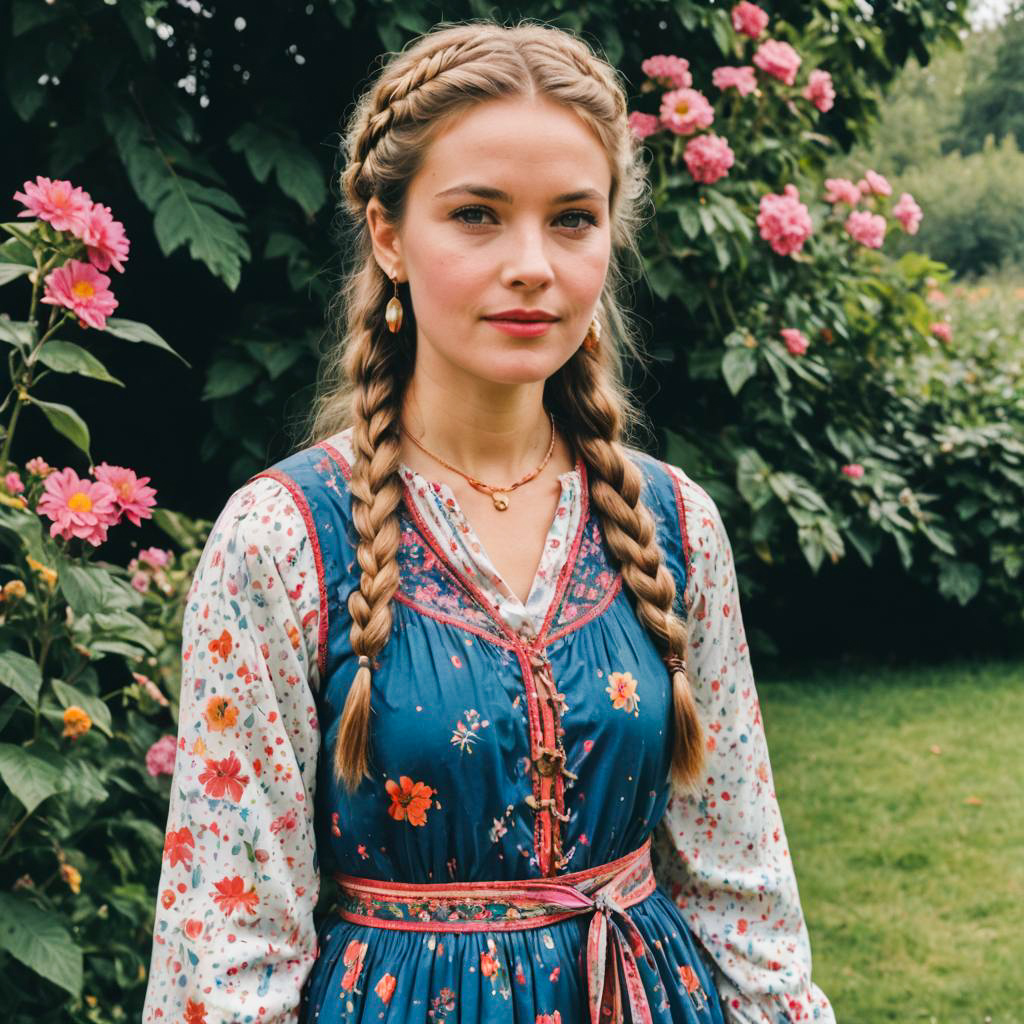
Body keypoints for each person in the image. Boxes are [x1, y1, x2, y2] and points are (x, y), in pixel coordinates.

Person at [142, 19, 834, 1024]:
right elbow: (228, 942)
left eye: (571, 219)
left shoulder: (672, 521)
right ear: (387, 231)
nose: (531, 264)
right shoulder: (284, 539)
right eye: (476, 214)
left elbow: (740, 882)